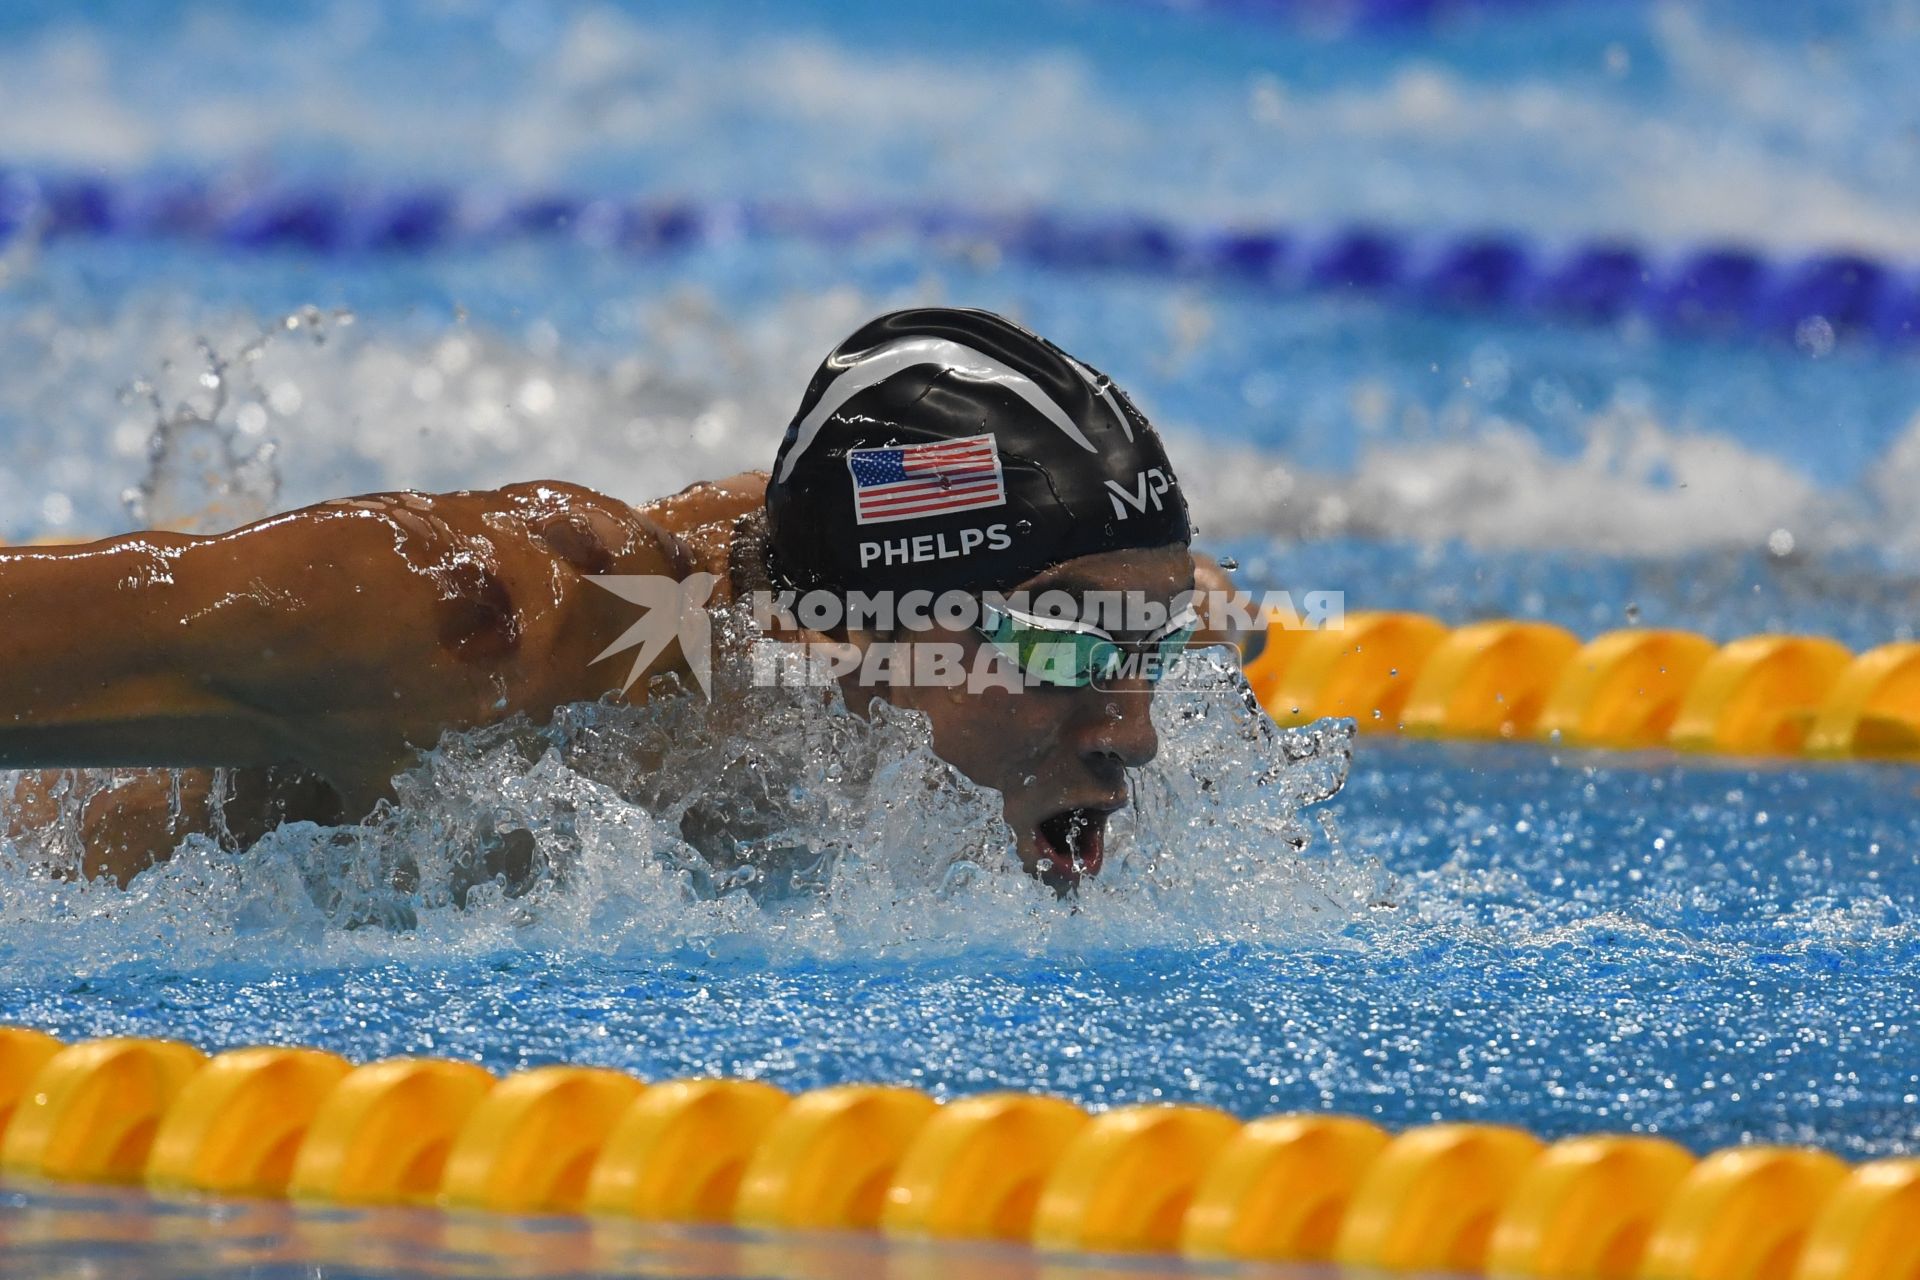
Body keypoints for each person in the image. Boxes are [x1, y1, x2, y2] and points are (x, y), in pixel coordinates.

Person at [0, 307, 1245, 894]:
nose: (1134, 730)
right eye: (1069, 647)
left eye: (1153, 643)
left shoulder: (839, 622)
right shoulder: (483, 640)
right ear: (859, 629)